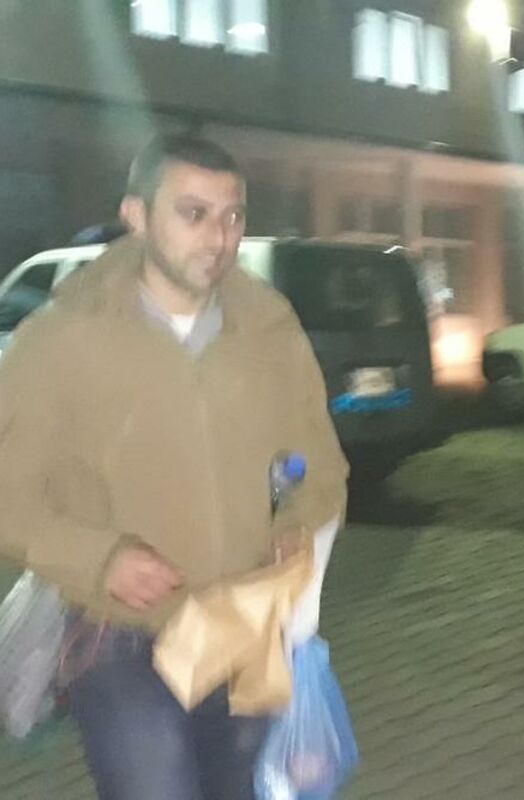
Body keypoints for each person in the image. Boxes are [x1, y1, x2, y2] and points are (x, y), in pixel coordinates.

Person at [0, 133, 348, 799]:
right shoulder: (62, 338)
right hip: (120, 640)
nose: (219, 237)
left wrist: (298, 521)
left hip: (243, 630)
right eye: (194, 214)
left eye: (233, 216)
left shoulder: (268, 329)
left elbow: (319, 465)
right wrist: (99, 559)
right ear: (136, 216)